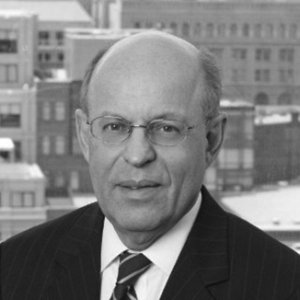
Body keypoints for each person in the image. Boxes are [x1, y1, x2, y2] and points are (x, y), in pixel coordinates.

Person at [1, 31, 300, 300]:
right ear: (84, 136)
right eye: (115, 127)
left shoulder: (284, 286)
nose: (138, 155)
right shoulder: (13, 270)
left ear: (211, 139)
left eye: (166, 128)